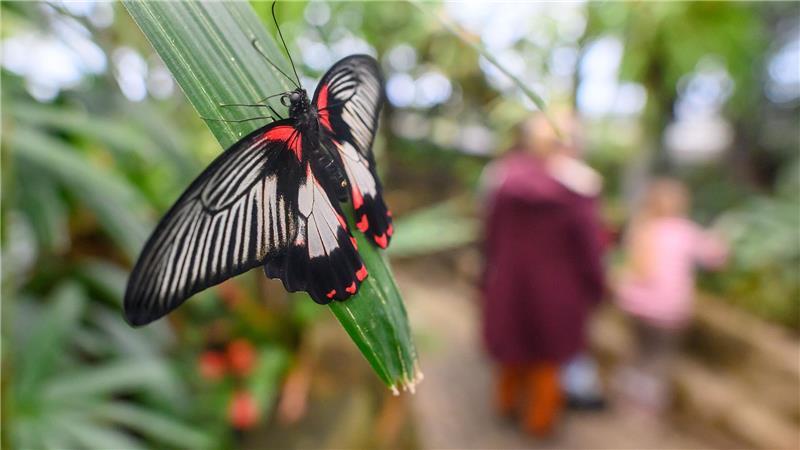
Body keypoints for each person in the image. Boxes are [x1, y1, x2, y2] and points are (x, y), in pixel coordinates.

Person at [479, 112, 606, 437]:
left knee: (513, 345)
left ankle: (506, 404)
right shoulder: (580, 188)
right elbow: (590, 248)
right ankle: (539, 422)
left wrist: (488, 275)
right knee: (548, 357)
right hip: (559, 289)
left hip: (510, 282)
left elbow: (489, 235)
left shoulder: (501, 178)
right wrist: (597, 286)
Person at [615, 178, 727, 414]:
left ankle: (627, 397)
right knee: (659, 358)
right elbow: (714, 257)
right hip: (667, 311)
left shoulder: (642, 227)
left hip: (636, 306)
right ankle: (645, 406)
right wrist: (721, 239)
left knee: (638, 352)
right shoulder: (684, 231)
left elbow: (633, 267)